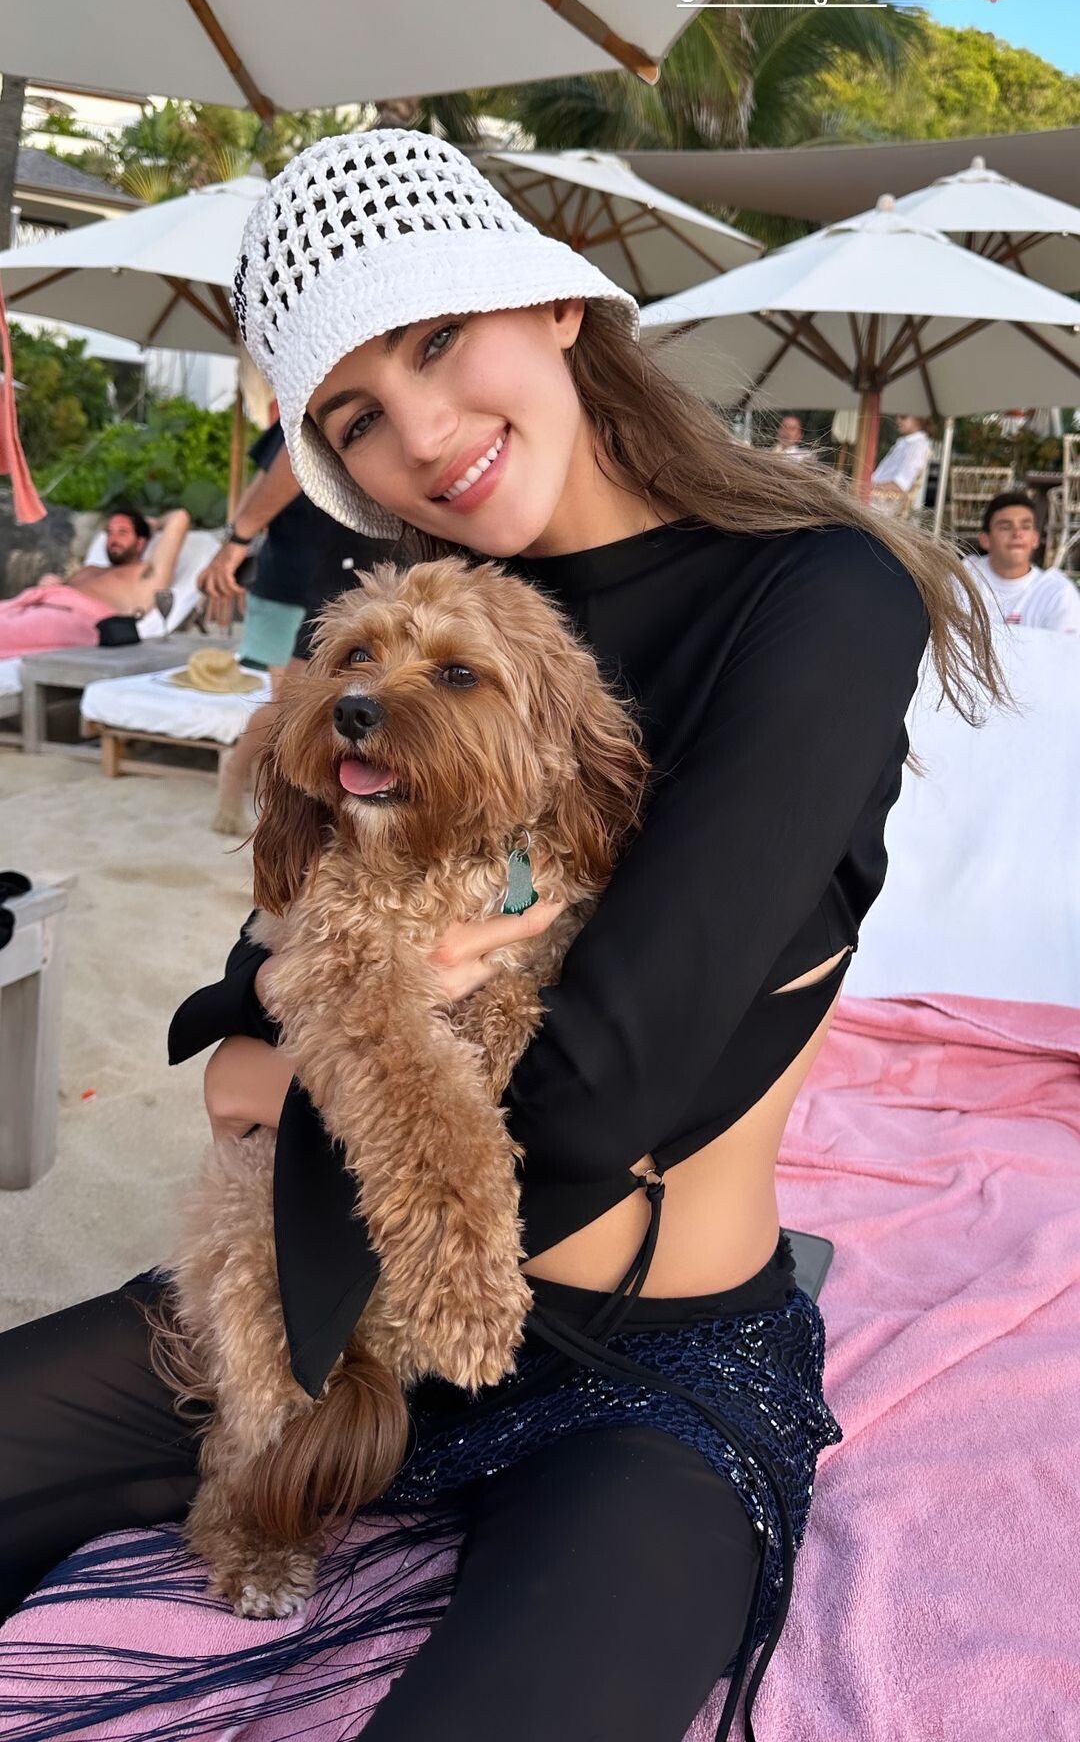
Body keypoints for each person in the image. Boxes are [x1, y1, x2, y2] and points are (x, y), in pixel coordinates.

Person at [0, 132, 1005, 1742]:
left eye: (436, 340)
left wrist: (295, 1059)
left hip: (645, 1371)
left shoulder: (813, 599)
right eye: (353, 418)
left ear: (552, 305)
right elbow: (241, 1007)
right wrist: (286, 1040)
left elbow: (599, 1090)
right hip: (321, 1303)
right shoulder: (410, 631)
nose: (419, 434)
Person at [198, 414, 392, 835]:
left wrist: (236, 541)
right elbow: (276, 473)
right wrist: (236, 541)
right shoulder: (303, 417)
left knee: (311, 708)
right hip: (296, 579)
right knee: (292, 708)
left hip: (342, 573)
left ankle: (256, 780)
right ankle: (239, 772)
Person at [0, 504, 190, 655]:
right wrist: (52, 584)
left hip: (80, 622)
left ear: (140, 542)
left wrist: (153, 524)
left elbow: (180, 517)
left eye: (122, 532)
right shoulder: (92, 569)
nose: (113, 539)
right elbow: (63, 592)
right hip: (36, 608)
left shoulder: (147, 574)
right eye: (110, 532)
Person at [967, 491, 1080, 634]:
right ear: (985, 540)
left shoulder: (1058, 593)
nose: (1017, 534)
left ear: (1035, 539)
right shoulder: (961, 578)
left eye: (1025, 527)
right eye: (1005, 527)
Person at [870, 414, 931, 504]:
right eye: (897, 416)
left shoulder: (917, 446)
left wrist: (865, 487)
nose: (897, 420)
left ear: (919, 419)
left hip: (882, 503)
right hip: (875, 497)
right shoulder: (907, 443)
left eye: (903, 416)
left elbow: (900, 486)